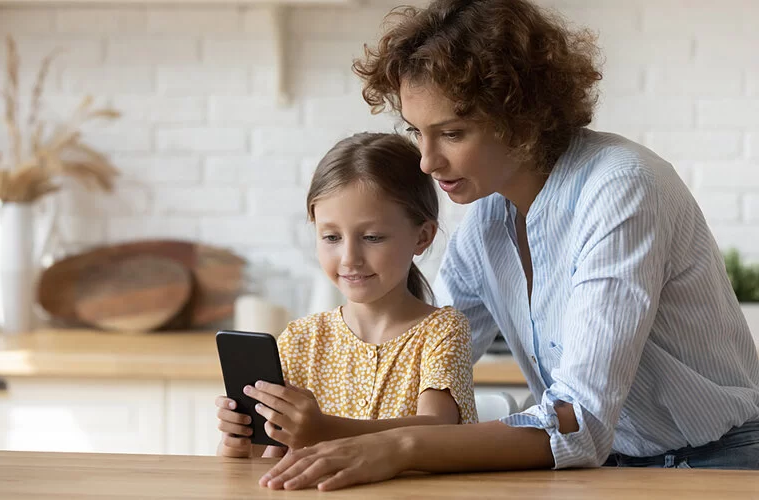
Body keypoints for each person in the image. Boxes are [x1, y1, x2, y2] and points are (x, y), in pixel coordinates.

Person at [258, 0, 759, 490]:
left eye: (451, 133)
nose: (426, 163)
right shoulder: (486, 223)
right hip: (605, 470)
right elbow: (428, 357)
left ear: (521, 116)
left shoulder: (623, 188)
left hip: (720, 466)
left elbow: (578, 421)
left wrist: (399, 447)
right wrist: (288, 428)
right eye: (417, 133)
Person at [215, 132, 478, 460]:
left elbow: (438, 429)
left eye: (371, 237)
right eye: (331, 237)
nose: (349, 258)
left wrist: (324, 429)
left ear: (422, 236)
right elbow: (266, 461)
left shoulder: (442, 330)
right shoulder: (301, 340)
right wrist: (236, 443)